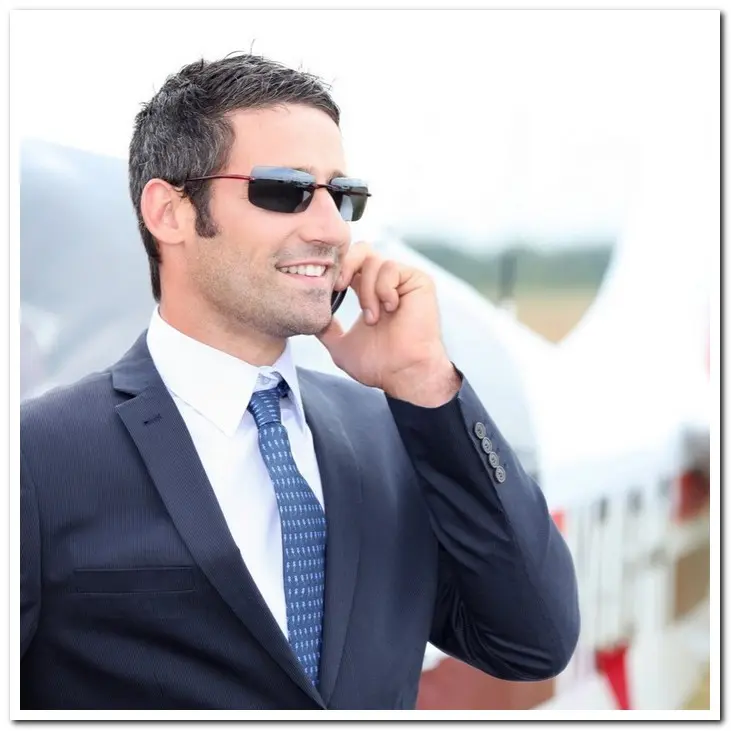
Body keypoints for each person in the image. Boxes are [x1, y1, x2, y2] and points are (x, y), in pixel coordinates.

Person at [20, 53, 580, 711]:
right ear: (169, 212)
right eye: (282, 190)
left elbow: (532, 639)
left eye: (342, 196)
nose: (329, 228)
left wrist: (425, 380)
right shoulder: (37, 457)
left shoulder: (394, 435)